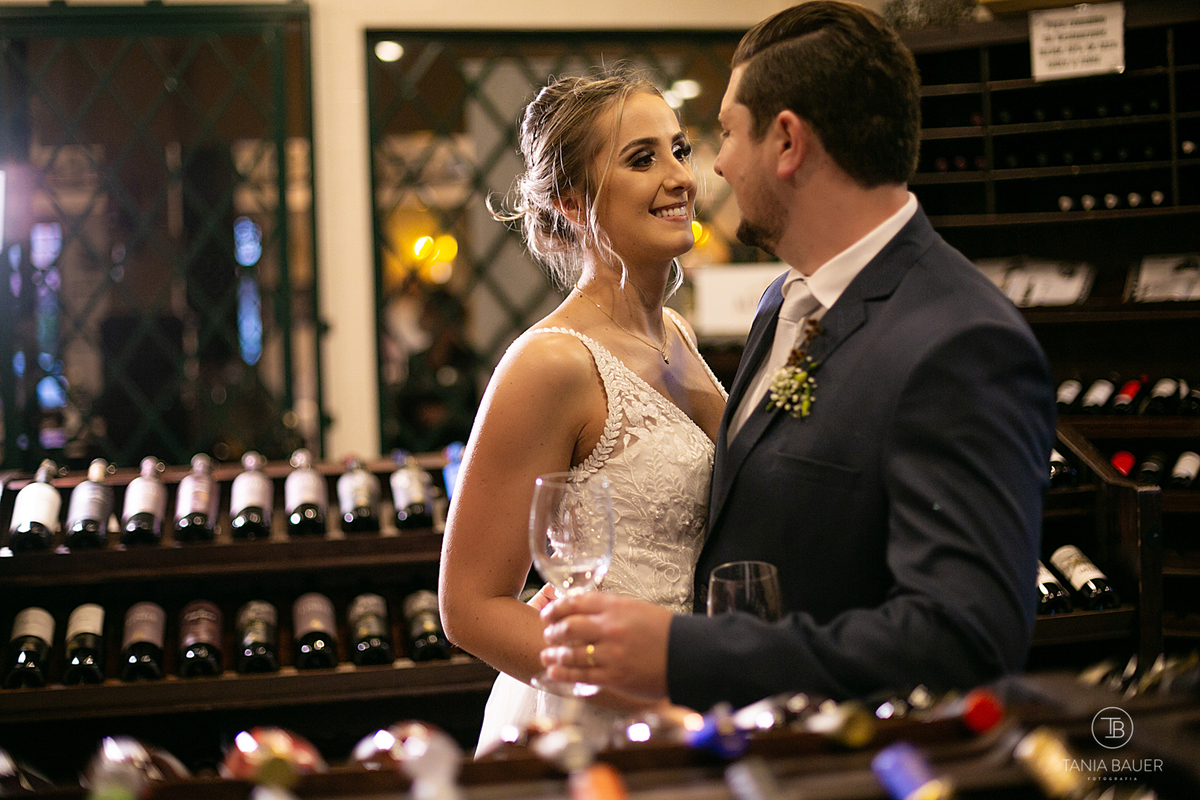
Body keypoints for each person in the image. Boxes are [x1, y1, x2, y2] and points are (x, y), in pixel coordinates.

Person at [539, 0, 1056, 713]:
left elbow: (964, 641)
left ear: (786, 142)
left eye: (725, 134)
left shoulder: (962, 343)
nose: (714, 168)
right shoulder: (782, 303)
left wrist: (685, 655)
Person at [437, 67, 728, 754]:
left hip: (698, 697)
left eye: (680, 150)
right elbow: (470, 607)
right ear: (572, 203)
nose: (681, 178)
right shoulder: (552, 364)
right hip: (602, 724)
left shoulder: (674, 333)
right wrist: (647, 694)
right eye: (642, 159)